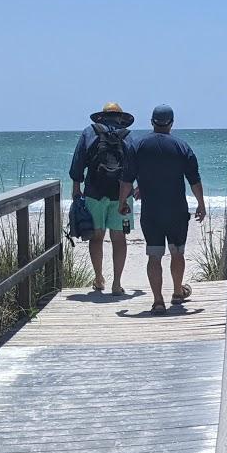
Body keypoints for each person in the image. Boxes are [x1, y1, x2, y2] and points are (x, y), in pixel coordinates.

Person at [118, 104, 205, 314]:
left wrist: (122, 202)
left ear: (152, 122)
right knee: (177, 252)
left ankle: (158, 301)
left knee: (154, 255)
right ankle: (177, 292)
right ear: (172, 123)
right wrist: (201, 204)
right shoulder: (182, 146)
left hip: (151, 211)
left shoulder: (138, 146)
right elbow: (194, 180)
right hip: (176, 210)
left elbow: (127, 179)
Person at [69, 102, 135, 295]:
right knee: (119, 238)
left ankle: (98, 278)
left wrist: (76, 188)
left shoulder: (89, 132)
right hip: (121, 195)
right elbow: (134, 165)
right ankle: (117, 283)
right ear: (121, 118)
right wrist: (138, 188)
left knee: (97, 237)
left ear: (101, 117)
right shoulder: (128, 135)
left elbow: (78, 161)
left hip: (94, 193)